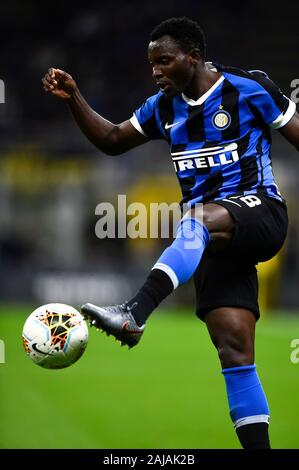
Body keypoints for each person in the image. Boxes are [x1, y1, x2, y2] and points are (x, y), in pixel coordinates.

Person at [42, 16, 299, 449]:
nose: (156, 72)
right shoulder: (163, 107)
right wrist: (74, 98)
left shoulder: (248, 88)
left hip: (261, 213)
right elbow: (111, 139)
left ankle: (135, 313)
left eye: (164, 61)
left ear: (193, 58)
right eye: (151, 64)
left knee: (195, 220)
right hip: (212, 241)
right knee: (234, 353)